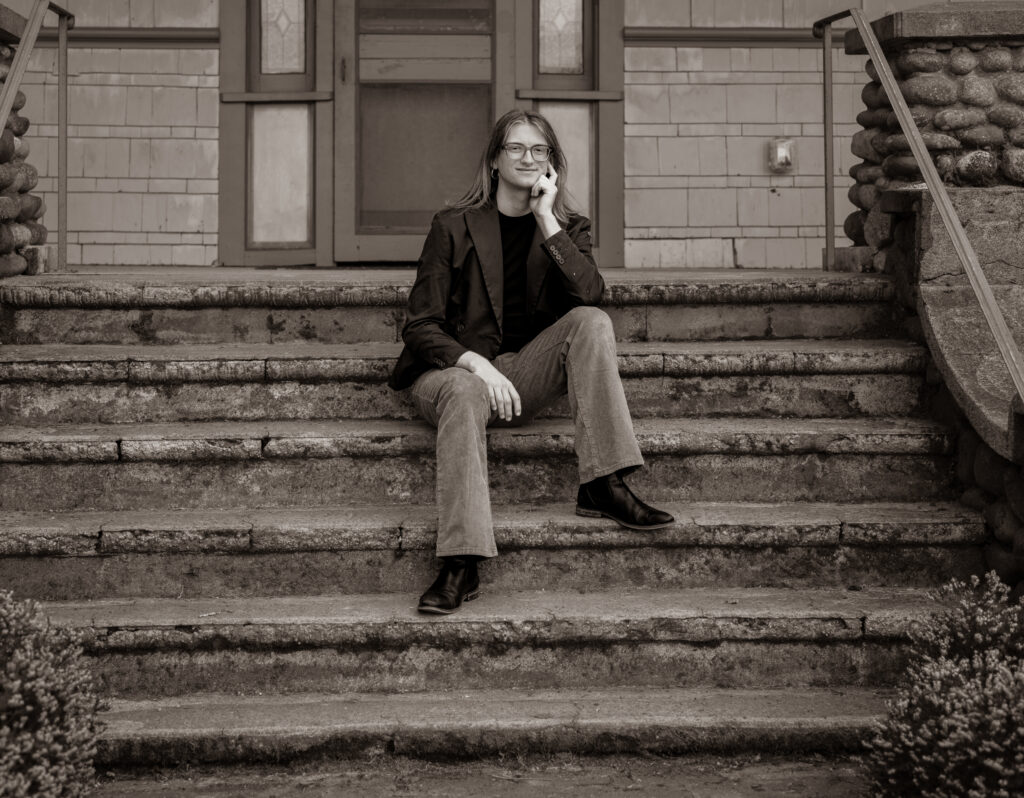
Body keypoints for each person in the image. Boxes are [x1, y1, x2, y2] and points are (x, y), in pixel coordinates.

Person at [388, 109, 674, 615]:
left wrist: (546, 221)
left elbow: (593, 296)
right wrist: (476, 364)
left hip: (522, 376)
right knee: (464, 389)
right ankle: (461, 559)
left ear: (552, 163)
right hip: (453, 377)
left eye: (538, 150)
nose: (527, 158)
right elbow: (420, 325)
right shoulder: (452, 225)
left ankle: (602, 482)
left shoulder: (566, 228)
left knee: (591, 323)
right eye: (516, 148)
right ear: (496, 160)